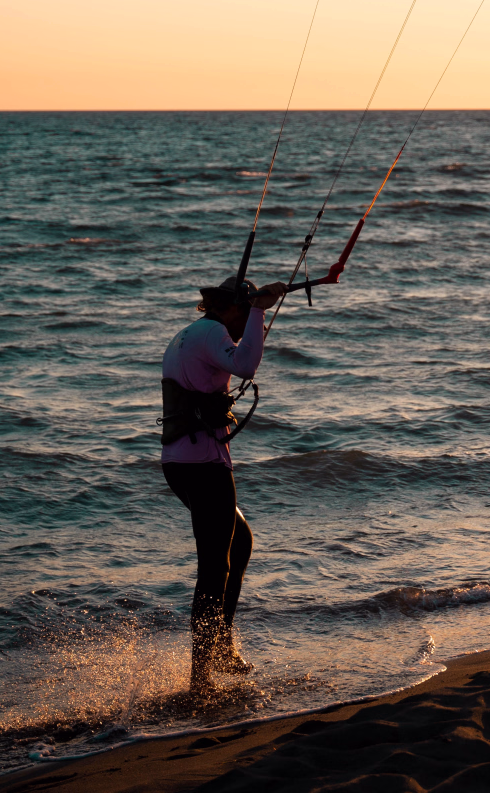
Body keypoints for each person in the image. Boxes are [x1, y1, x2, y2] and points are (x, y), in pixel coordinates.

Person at [161, 273, 286, 696]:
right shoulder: (214, 332)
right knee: (214, 566)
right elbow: (246, 364)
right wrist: (257, 310)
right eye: (245, 310)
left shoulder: (191, 333)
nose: (247, 323)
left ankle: (220, 648)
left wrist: (255, 311)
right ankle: (201, 678)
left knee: (241, 543)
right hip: (202, 464)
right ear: (230, 307)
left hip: (181, 461)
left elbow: (238, 357)